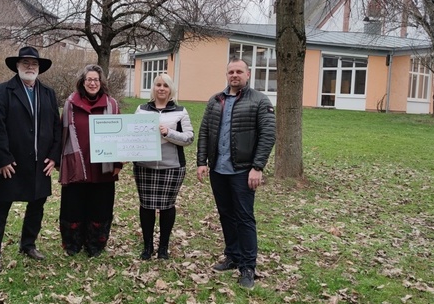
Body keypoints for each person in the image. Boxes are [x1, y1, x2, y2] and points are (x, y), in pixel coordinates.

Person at [196, 57, 276, 289]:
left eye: (239, 71)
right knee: (225, 215)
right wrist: (202, 161)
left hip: (243, 171)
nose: (234, 75)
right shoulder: (216, 100)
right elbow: (204, 132)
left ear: (248, 74)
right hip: (218, 170)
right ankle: (232, 255)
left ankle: (248, 266)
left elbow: (268, 135)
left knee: (244, 218)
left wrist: (257, 167)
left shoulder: (259, 101)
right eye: (231, 71)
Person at [0, 47, 62, 272]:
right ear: (17, 66)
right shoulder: (2, 91)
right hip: (12, 163)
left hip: (41, 163)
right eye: (25, 63)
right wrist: (4, 158)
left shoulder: (48, 93)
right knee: (1, 206)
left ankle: (28, 244)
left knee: (37, 205)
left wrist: (54, 157)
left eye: (34, 63)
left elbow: (56, 127)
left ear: (39, 68)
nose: (30, 67)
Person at [58, 64, 122, 257]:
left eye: (96, 80)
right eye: (89, 80)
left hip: (103, 166)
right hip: (76, 164)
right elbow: (61, 133)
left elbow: (120, 136)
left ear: (101, 82)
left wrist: (118, 163)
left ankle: (95, 244)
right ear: (82, 82)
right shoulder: (70, 103)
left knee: (100, 206)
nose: (92, 83)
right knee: (73, 206)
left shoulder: (112, 105)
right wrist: (58, 160)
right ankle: (73, 243)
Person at [133, 73, 194, 260]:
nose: (161, 88)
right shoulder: (141, 109)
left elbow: (189, 138)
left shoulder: (181, 111)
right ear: (153, 88)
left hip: (172, 166)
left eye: (165, 85)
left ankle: (163, 247)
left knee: (167, 207)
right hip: (145, 166)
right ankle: (147, 246)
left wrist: (169, 132)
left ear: (170, 89)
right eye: (158, 85)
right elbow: (132, 135)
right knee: (146, 206)